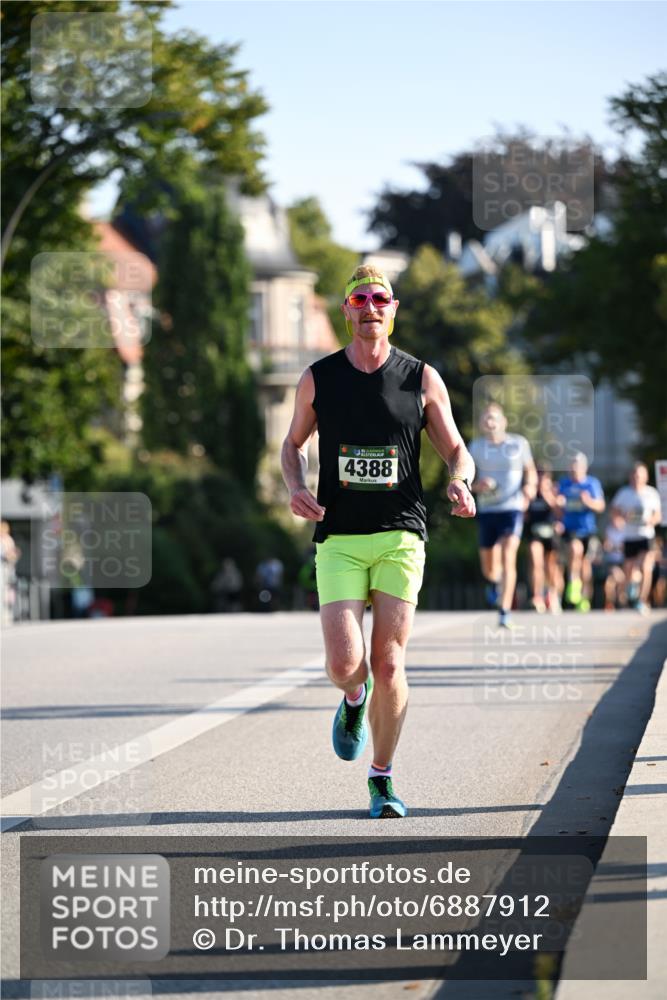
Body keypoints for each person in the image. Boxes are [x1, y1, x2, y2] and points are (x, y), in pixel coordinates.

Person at [281, 264, 475, 819]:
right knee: (347, 662)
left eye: (380, 299)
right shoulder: (319, 378)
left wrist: (459, 479)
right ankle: (351, 698)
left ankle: (382, 776)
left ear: (393, 309)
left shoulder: (421, 378)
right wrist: (295, 487)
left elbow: (457, 447)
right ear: (346, 309)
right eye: (360, 298)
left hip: (400, 533)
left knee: (389, 662)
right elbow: (292, 445)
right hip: (339, 535)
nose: (370, 307)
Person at [468, 403, 537, 628]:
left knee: (509, 555)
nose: (490, 422)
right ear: (481, 424)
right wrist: (479, 486)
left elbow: (531, 472)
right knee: (489, 567)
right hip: (488, 509)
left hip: (512, 508)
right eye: (486, 418)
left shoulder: (518, 444)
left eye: (494, 418)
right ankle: (494, 582)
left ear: (503, 421)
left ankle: (504, 610)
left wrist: (529, 489)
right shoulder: (475, 447)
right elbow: (465, 481)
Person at [611, 462, 662, 615]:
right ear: (630, 477)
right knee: (629, 570)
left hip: (646, 536)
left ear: (645, 477)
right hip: (629, 537)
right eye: (634, 475)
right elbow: (614, 512)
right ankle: (630, 590)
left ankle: (642, 600)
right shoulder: (624, 493)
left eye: (639, 475)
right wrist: (618, 520)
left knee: (646, 567)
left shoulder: (651, 493)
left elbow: (658, 515)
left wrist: (650, 522)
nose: (636, 478)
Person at [557, 453, 605, 611]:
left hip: (588, 530)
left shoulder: (592, 483)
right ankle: (573, 584)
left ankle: (585, 597)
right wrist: (558, 503)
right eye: (572, 465)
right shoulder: (564, 483)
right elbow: (557, 506)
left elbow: (601, 506)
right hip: (570, 530)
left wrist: (588, 501)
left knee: (586, 565)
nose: (574, 468)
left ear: (584, 467)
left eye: (577, 465)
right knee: (575, 550)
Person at [524, 465, 562, 613]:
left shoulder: (553, 492)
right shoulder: (530, 493)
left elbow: (559, 512)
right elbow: (523, 513)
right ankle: (537, 596)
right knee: (536, 562)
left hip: (550, 534)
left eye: (543, 477)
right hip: (534, 533)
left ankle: (552, 595)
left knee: (550, 567)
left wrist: (547, 495)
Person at [602, 510, 627, 611]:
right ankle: (610, 603)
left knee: (622, 580)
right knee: (611, 581)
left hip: (623, 561)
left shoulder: (627, 531)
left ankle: (621, 601)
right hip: (611, 561)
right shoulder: (609, 530)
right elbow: (606, 545)